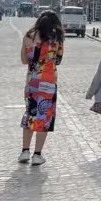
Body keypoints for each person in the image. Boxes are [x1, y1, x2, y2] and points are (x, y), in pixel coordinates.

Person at [19, 11, 65, 165]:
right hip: (49, 81)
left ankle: (25, 151)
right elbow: (58, 60)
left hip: (32, 81)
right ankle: (37, 154)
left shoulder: (29, 36)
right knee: (44, 116)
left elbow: (24, 60)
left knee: (30, 113)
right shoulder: (56, 38)